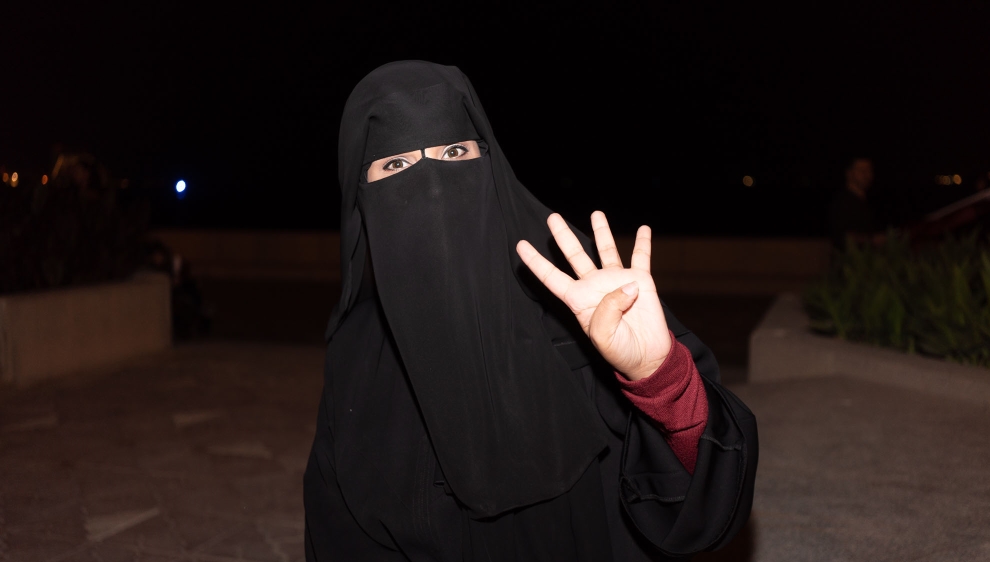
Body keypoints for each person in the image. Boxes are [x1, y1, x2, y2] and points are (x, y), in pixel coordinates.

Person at [303, 61, 758, 561]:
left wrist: (658, 378)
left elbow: (706, 499)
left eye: (454, 152)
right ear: (363, 199)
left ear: (489, 165)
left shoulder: (580, 309)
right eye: (395, 166)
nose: (431, 184)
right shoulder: (358, 360)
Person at [827, 157, 886, 251]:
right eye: (862, 171)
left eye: (869, 170)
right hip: (849, 262)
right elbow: (842, 236)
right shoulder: (842, 202)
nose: (867, 175)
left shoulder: (867, 203)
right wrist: (871, 240)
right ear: (849, 173)